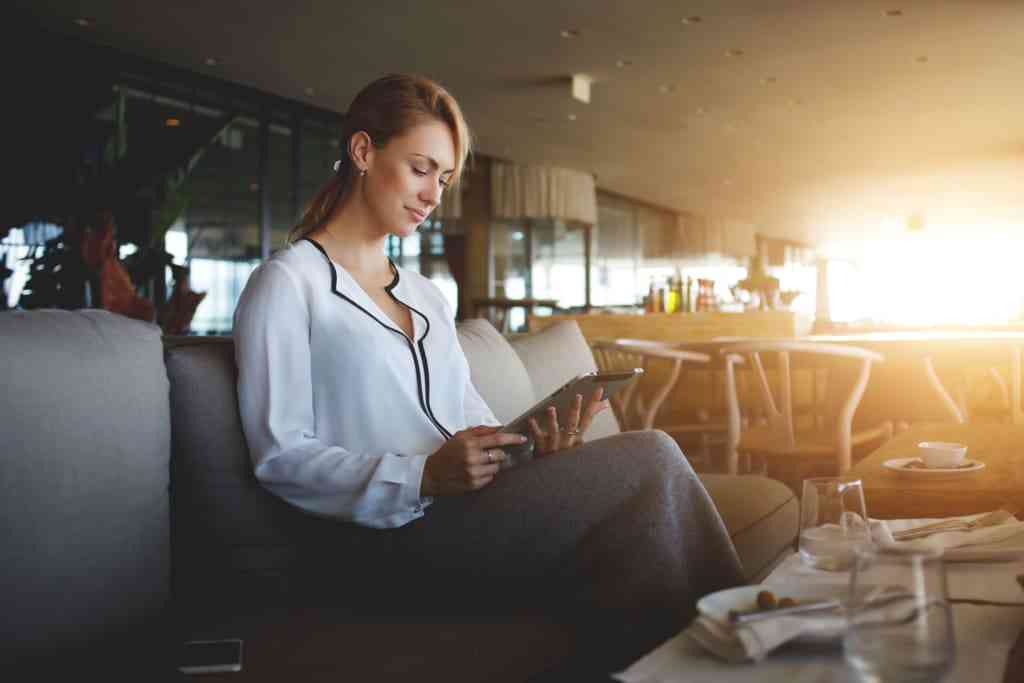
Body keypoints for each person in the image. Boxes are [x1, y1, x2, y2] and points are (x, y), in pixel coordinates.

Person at [233, 73, 743, 671]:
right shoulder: (288, 282)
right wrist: (421, 475)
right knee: (650, 456)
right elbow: (280, 457)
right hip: (381, 543)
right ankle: (749, 645)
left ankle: (711, 654)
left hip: (463, 516)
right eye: (421, 167)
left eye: (443, 179)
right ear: (364, 152)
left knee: (637, 511)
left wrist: (531, 447)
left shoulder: (424, 295)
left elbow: (470, 418)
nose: (433, 195)